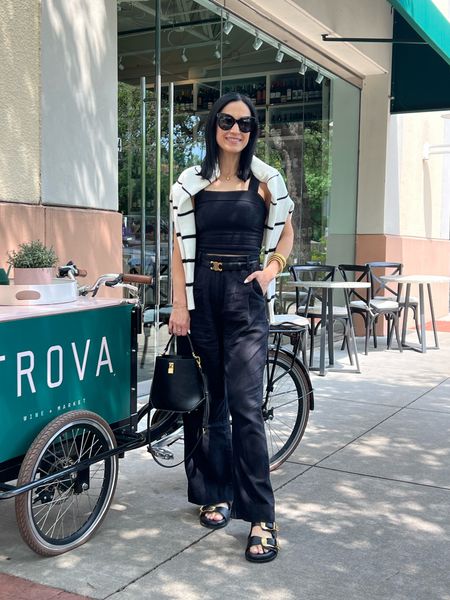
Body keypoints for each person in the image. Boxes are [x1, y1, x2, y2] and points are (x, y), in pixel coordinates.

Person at [169, 92, 294, 563]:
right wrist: (180, 304)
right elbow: (179, 249)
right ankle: (213, 492)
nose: (235, 129)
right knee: (208, 403)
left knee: (244, 406)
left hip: (245, 295)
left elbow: (287, 228)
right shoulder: (190, 185)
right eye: (227, 120)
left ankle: (262, 515)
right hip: (202, 296)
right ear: (213, 125)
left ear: (253, 130)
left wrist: (272, 269)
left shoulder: (266, 182)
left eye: (245, 123)